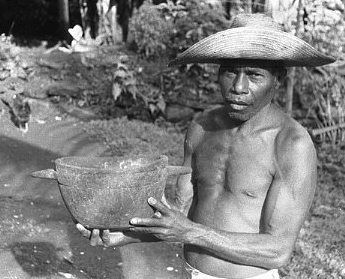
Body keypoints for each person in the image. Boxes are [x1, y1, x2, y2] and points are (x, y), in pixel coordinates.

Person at [76, 13, 335, 279]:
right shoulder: (202, 127)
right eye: (230, 72)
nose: (238, 87)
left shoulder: (291, 144)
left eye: (254, 75)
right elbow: (181, 216)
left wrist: (190, 232)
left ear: (277, 78)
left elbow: (278, 250)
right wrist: (124, 235)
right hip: (190, 272)